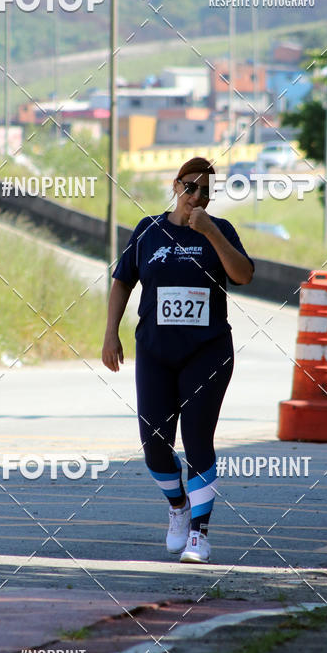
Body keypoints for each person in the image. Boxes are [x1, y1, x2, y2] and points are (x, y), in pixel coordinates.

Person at [102, 157, 254, 563]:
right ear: (175, 186)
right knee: (154, 444)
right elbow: (122, 282)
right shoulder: (148, 231)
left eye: (206, 191)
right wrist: (110, 332)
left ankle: (199, 536)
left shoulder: (220, 230)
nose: (197, 196)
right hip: (155, 351)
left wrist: (210, 233)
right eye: (191, 187)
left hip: (207, 351)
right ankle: (178, 508)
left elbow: (243, 275)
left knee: (198, 439)